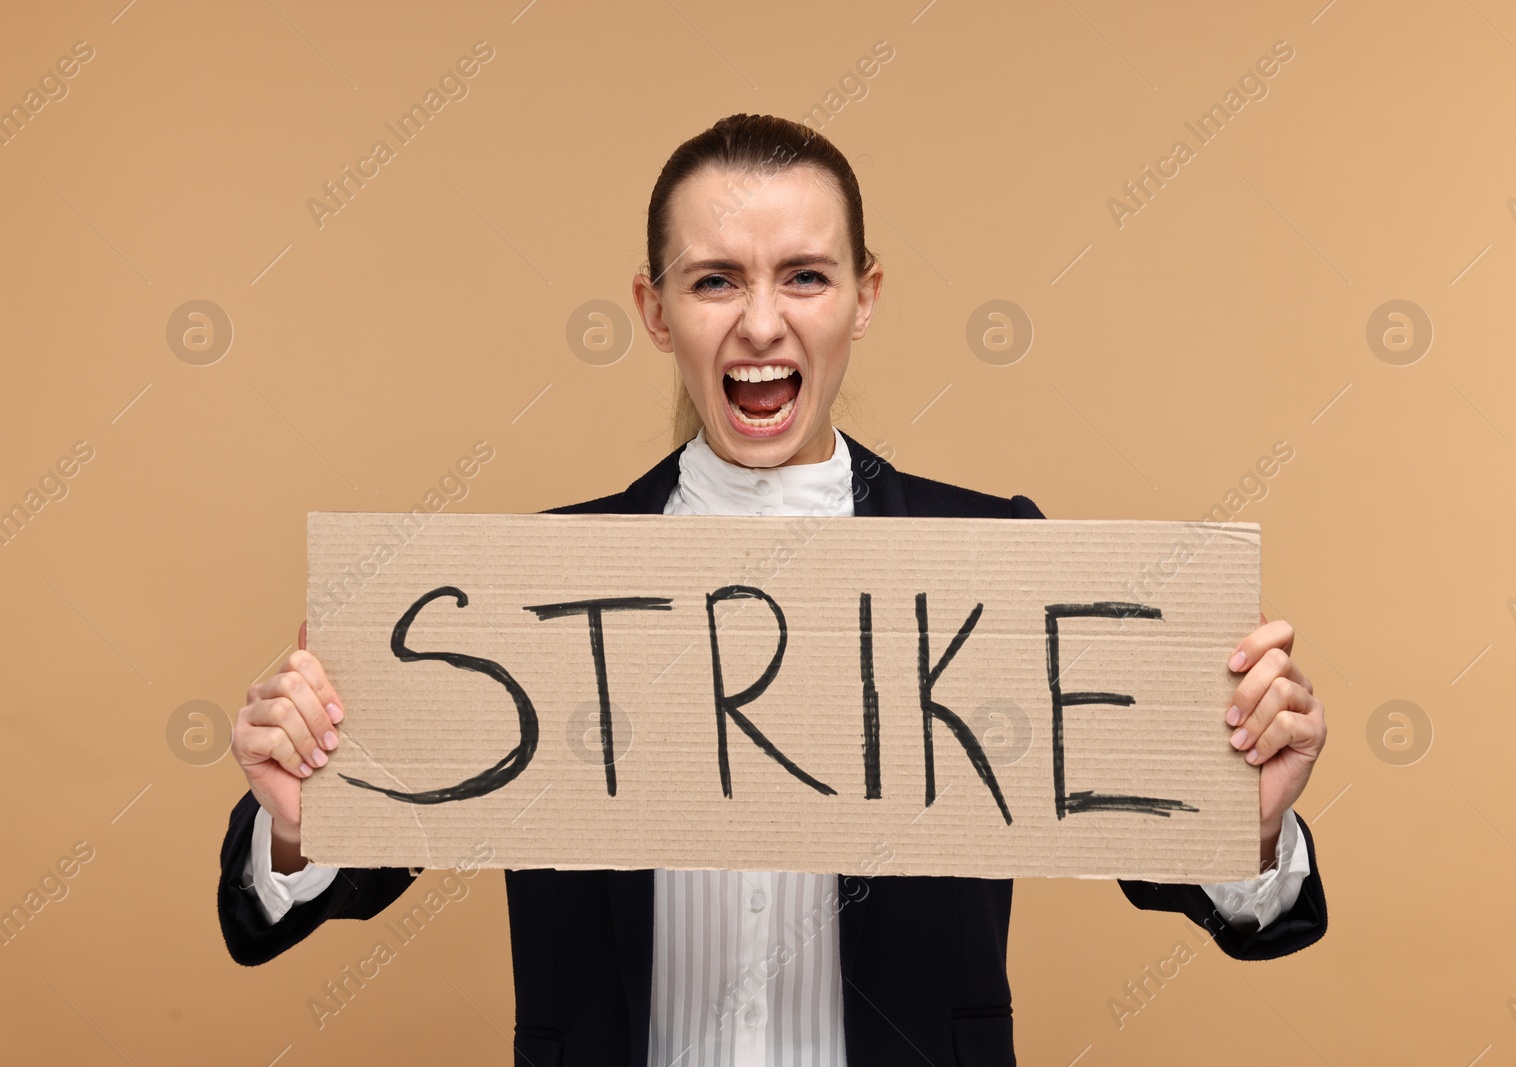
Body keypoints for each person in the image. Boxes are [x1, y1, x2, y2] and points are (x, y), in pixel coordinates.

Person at [219, 114, 1328, 1066]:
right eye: (715, 280)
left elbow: (1198, 882)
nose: (760, 322)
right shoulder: (532, 589)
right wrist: (295, 829)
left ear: (863, 297)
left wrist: (1252, 826)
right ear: (656, 312)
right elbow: (325, 880)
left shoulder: (988, 555)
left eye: (804, 274)